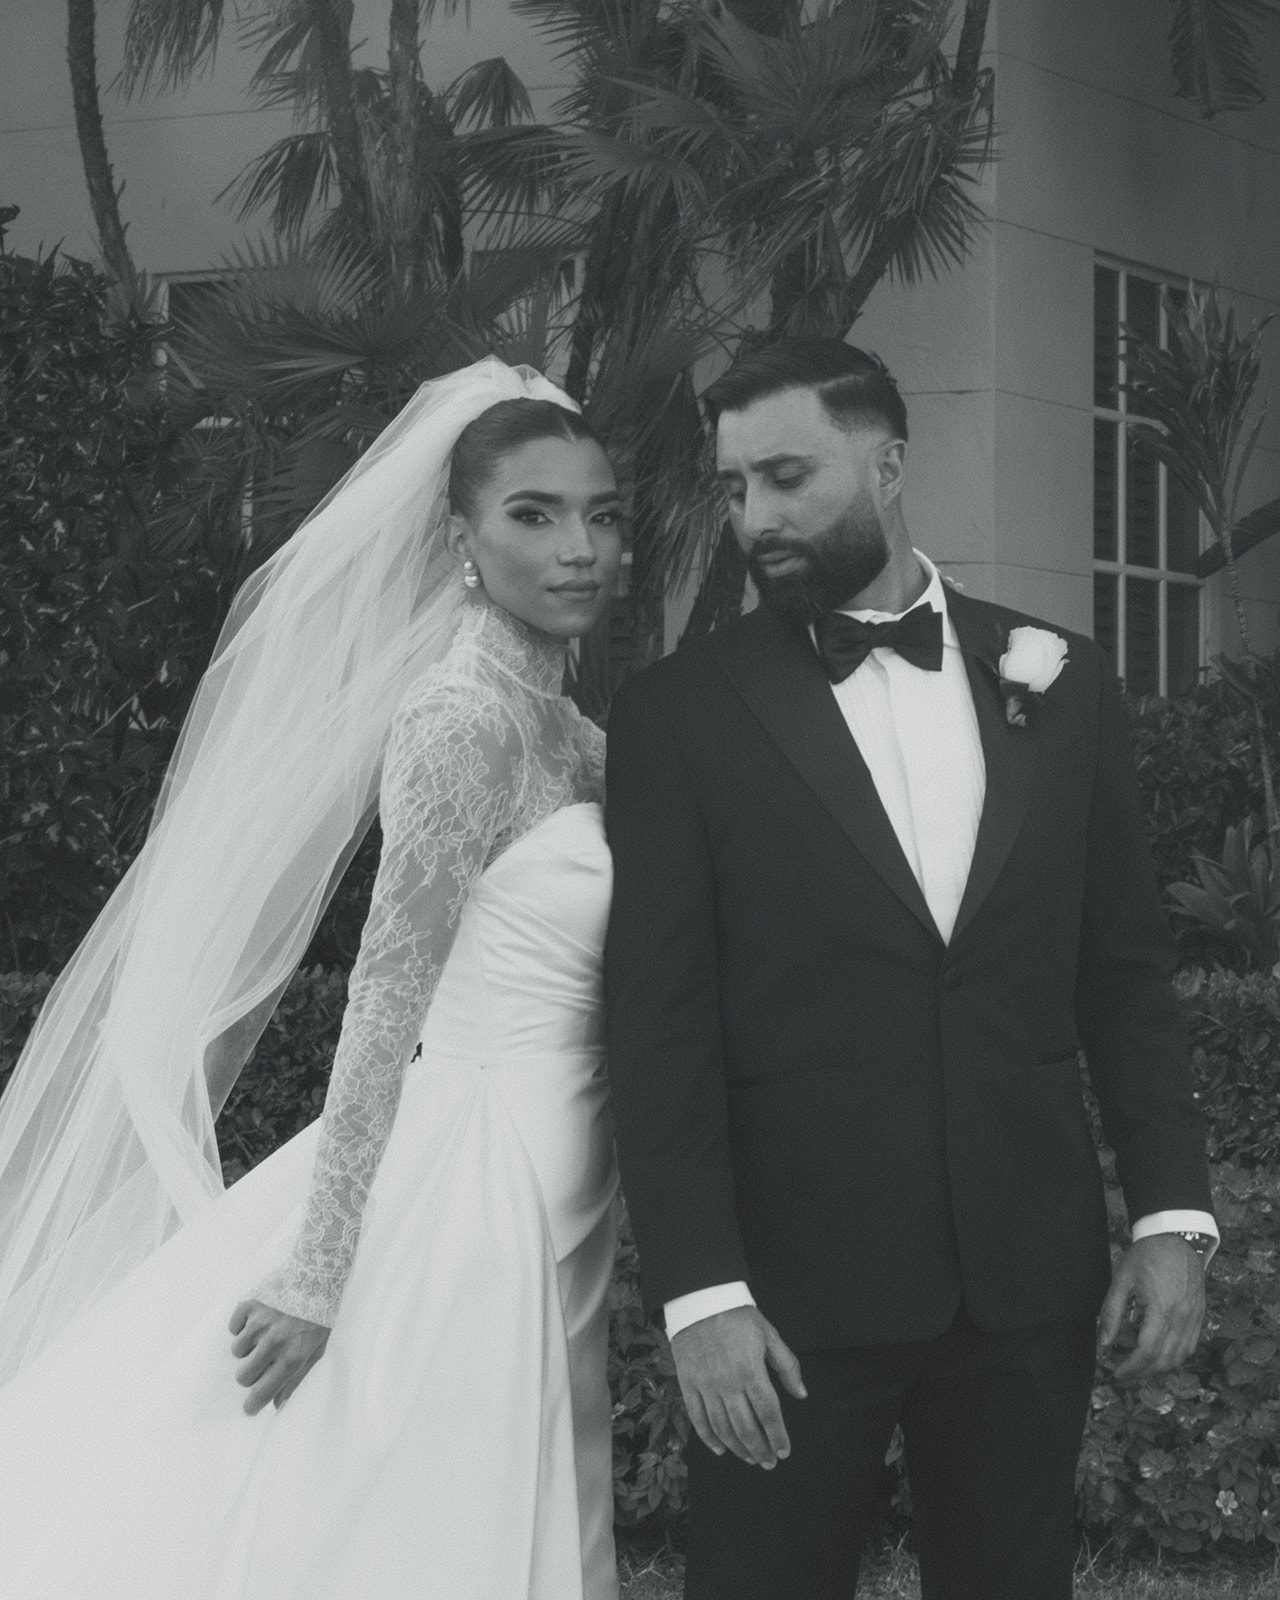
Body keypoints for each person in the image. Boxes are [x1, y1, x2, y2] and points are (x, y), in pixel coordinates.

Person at [604, 337, 1218, 1600]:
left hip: (1021, 1282)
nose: (751, 518)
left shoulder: (1060, 677)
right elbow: (659, 1030)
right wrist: (701, 1294)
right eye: (732, 489)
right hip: (786, 1298)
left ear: (886, 466)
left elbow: (1121, 973)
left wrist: (1168, 1217)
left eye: (784, 477)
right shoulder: (675, 715)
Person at [0, 359, 624, 1600]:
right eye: (534, 515)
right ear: (461, 539)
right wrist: (318, 1267)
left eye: (601, 515)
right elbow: (384, 997)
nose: (579, 549)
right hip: (474, 1182)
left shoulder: (574, 730)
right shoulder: (459, 721)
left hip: (570, 1166)